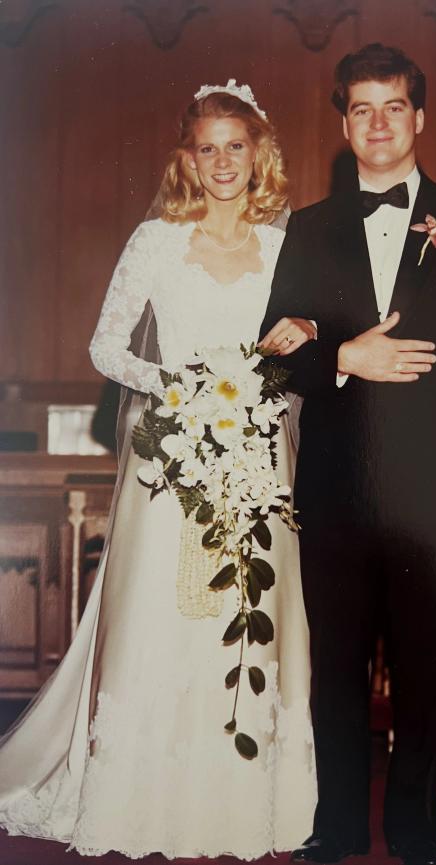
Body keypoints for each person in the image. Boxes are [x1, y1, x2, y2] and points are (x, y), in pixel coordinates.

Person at [0, 82, 318, 859]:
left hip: (254, 454)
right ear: (188, 157)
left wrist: (303, 334)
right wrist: (177, 389)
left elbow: (308, 335)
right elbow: (107, 347)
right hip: (170, 459)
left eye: (235, 146)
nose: (222, 162)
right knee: (165, 615)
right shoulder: (155, 241)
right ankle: (143, 791)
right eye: (207, 147)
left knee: (248, 615)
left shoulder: (284, 247)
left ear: (259, 152)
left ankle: (245, 791)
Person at [260, 43, 436, 865]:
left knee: (422, 672)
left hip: (435, 489)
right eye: (361, 108)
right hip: (335, 488)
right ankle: (335, 831)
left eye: (393, 106)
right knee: (334, 670)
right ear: (343, 123)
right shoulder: (307, 228)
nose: (377, 122)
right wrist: (342, 356)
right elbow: (275, 350)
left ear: (419, 116)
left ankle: (415, 835)